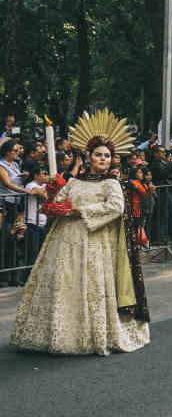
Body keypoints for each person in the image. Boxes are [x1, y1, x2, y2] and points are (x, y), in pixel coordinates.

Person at [11, 111, 149, 355]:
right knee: (63, 283)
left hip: (95, 241)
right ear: (89, 156)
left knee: (91, 286)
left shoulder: (111, 183)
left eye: (107, 156)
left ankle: (91, 335)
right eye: (98, 155)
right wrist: (53, 193)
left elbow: (116, 207)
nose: (103, 159)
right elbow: (57, 201)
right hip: (64, 240)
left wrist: (81, 211)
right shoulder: (75, 181)